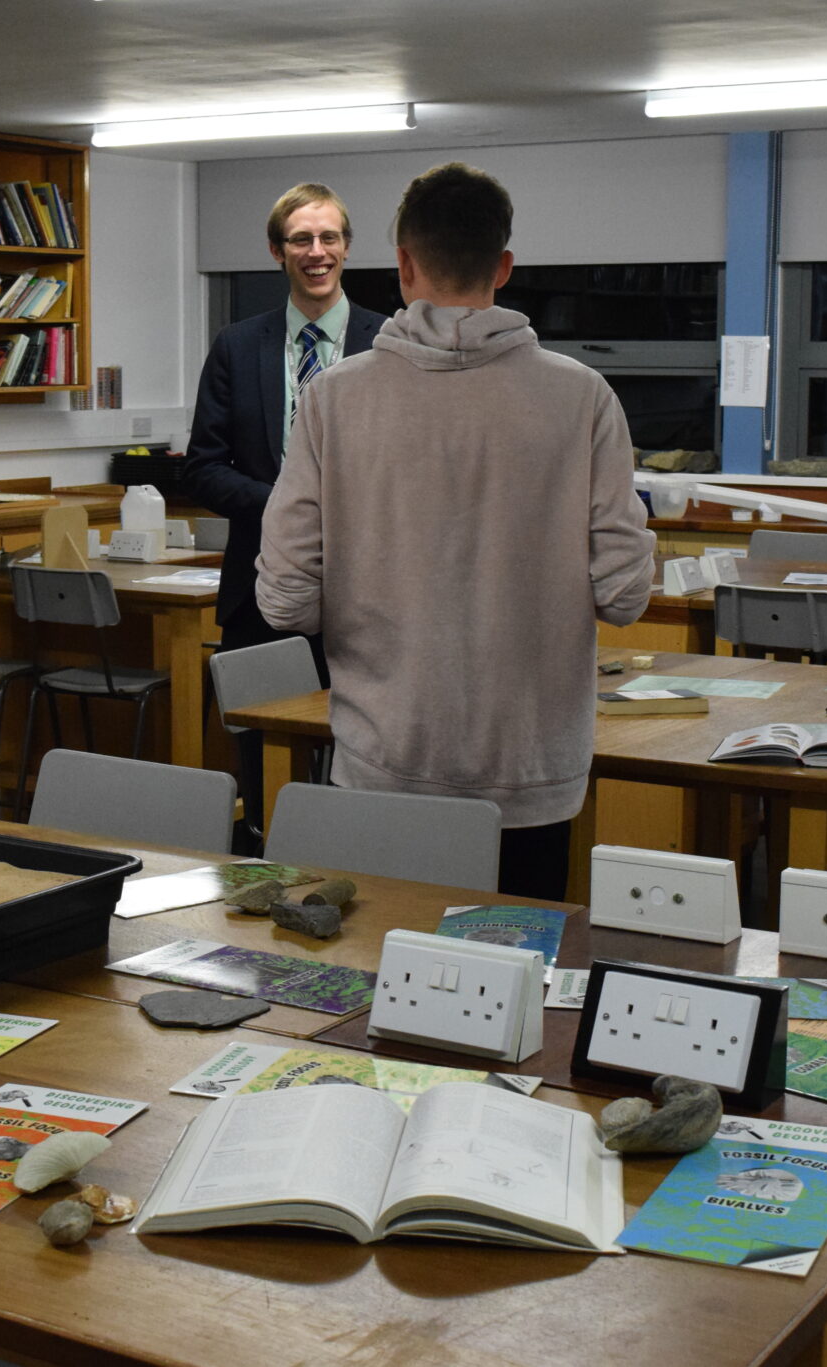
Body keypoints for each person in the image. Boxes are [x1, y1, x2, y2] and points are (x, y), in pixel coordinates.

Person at [255, 163, 656, 899]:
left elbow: (284, 600)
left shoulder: (334, 398)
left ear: (403, 265)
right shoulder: (582, 397)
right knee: (513, 991)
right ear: (503, 266)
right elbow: (625, 593)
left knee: (376, 986)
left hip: (384, 761)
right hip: (531, 776)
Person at [182, 182, 387, 664]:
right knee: (259, 735)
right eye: (301, 239)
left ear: (347, 246)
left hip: (372, 595)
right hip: (258, 593)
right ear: (277, 250)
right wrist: (288, 505)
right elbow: (202, 468)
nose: (317, 252)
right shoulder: (237, 344)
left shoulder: (389, 342)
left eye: (329, 238)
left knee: (361, 739)